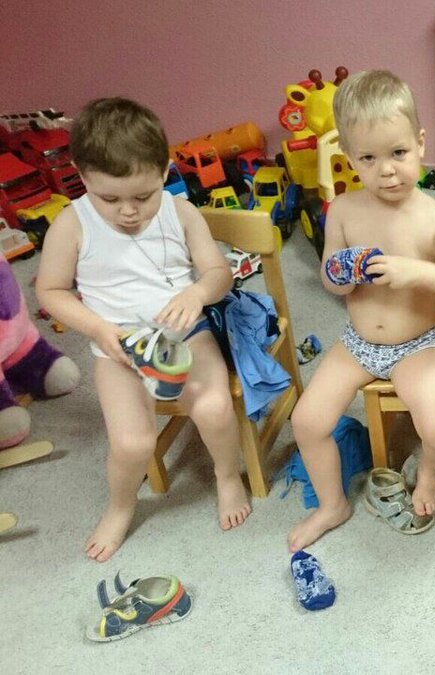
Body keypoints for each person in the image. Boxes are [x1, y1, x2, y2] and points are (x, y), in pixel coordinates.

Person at [36, 97, 250, 562]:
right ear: (82, 176)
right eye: (110, 199)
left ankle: (227, 476)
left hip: (185, 338)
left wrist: (197, 294)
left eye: (143, 196)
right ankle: (121, 505)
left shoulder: (180, 212)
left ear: (164, 171)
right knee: (133, 443)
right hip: (117, 351)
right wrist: (98, 328)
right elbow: (50, 290)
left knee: (214, 409)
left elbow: (219, 274)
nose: (129, 212)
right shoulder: (72, 224)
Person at [286, 70, 435, 552]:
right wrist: (341, 275)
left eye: (398, 153)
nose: (387, 171)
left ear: (420, 143)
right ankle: (332, 505)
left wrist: (417, 271)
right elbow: (330, 276)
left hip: (421, 344)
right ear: (349, 158)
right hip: (358, 343)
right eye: (368, 159)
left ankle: (430, 473)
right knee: (306, 421)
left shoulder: (431, 216)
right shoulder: (343, 210)